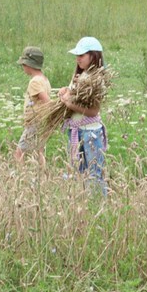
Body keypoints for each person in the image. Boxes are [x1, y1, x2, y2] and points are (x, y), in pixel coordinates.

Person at [58, 37, 108, 195]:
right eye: (77, 55)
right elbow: (73, 94)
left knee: (94, 173)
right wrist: (66, 90)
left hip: (90, 133)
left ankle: (98, 203)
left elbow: (93, 111)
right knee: (77, 171)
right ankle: (81, 202)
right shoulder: (81, 75)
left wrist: (69, 104)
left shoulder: (96, 80)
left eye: (82, 55)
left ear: (93, 56)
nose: (78, 58)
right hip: (77, 130)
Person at [13, 46, 51, 164]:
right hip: (42, 122)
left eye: (23, 65)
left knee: (19, 152)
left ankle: (21, 176)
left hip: (34, 122)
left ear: (28, 65)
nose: (23, 67)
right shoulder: (44, 79)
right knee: (39, 151)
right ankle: (44, 175)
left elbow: (46, 100)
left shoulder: (34, 82)